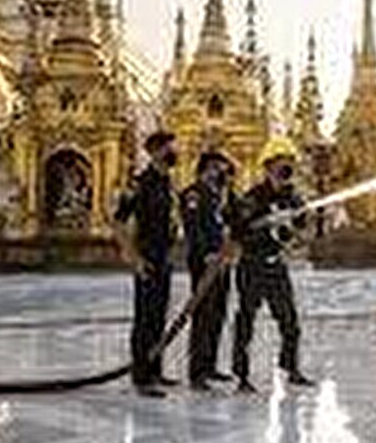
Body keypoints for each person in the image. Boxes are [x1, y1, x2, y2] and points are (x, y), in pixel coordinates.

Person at [229, 136, 314, 392]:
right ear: (268, 166)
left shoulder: (295, 200)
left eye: (290, 162)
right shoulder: (253, 197)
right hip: (252, 265)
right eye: (281, 162)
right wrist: (267, 222)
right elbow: (239, 231)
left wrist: (296, 231)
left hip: (276, 266)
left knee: (290, 321)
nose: (287, 167)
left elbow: (303, 235)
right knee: (246, 319)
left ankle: (291, 367)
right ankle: (242, 375)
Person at [114, 130, 179, 397]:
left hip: (164, 259)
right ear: (154, 151)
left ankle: (156, 370)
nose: (174, 152)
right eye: (169, 148)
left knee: (159, 317)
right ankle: (142, 376)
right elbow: (118, 222)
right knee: (145, 318)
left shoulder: (167, 183)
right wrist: (134, 258)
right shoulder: (140, 183)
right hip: (147, 259)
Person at [180, 149, 238, 390]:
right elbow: (193, 228)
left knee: (218, 313)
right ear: (206, 169)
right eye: (218, 168)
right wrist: (207, 254)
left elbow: (230, 222)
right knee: (203, 314)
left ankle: (210, 364)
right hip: (204, 263)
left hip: (222, 262)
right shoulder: (193, 194)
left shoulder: (219, 196)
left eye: (223, 169)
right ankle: (197, 372)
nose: (221, 173)